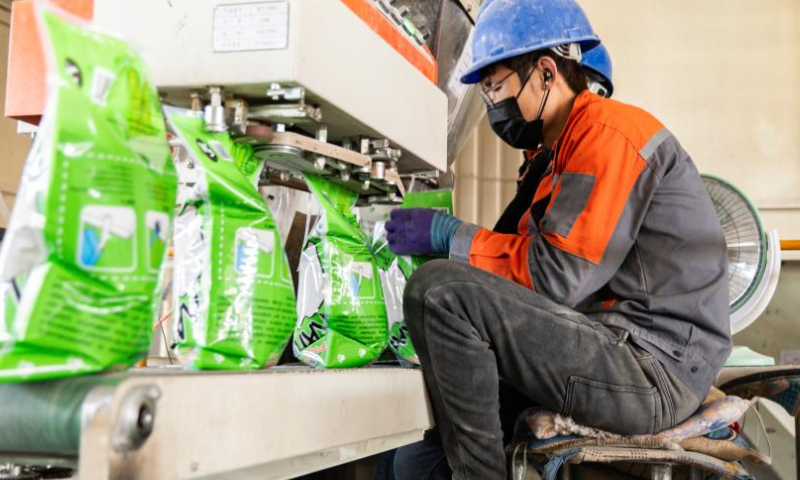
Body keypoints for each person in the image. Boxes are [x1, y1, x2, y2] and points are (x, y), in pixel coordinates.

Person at [387, 0, 731, 479]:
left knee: (439, 292)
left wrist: (450, 237)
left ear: (546, 72)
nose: (492, 105)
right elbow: (516, 270)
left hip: (651, 369)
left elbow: (555, 279)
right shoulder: (556, 155)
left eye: (496, 87)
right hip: (614, 349)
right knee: (416, 462)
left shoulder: (607, 135)